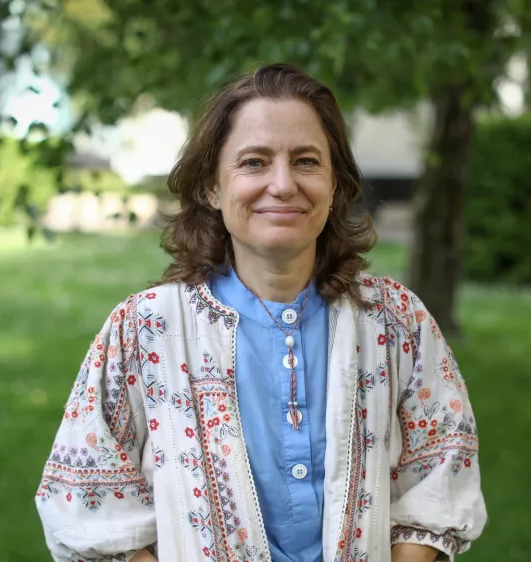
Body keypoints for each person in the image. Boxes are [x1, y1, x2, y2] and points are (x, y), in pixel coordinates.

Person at [34, 63, 487, 562]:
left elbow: (441, 470)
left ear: (335, 184)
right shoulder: (145, 330)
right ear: (211, 187)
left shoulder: (396, 322)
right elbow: (85, 502)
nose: (282, 184)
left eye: (307, 162)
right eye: (254, 162)